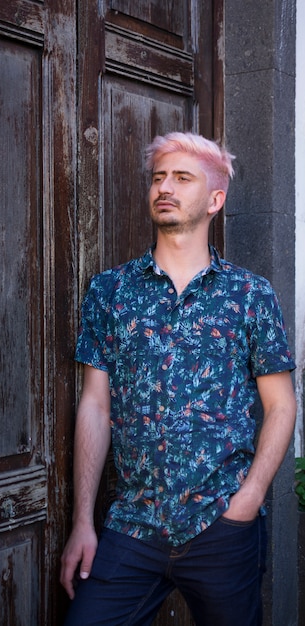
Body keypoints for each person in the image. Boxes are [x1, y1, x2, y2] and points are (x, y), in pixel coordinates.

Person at [60, 132, 297, 626]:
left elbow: (281, 406)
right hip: (132, 526)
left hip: (221, 525)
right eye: (158, 177)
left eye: (181, 178)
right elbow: (95, 406)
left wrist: (248, 501)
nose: (164, 187)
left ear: (215, 199)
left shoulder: (250, 295)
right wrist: (83, 522)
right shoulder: (110, 291)